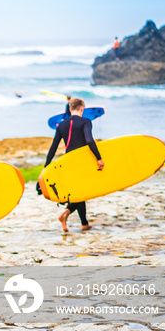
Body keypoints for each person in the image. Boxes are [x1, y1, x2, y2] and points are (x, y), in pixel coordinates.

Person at [43, 98, 104, 233]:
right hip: (81, 161)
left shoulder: (61, 125)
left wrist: (46, 167)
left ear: (70, 109)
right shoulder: (86, 122)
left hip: (68, 162)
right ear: (82, 108)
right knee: (83, 191)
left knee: (78, 191)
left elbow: (53, 148)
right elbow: (89, 140)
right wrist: (99, 158)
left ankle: (84, 223)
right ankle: (65, 214)